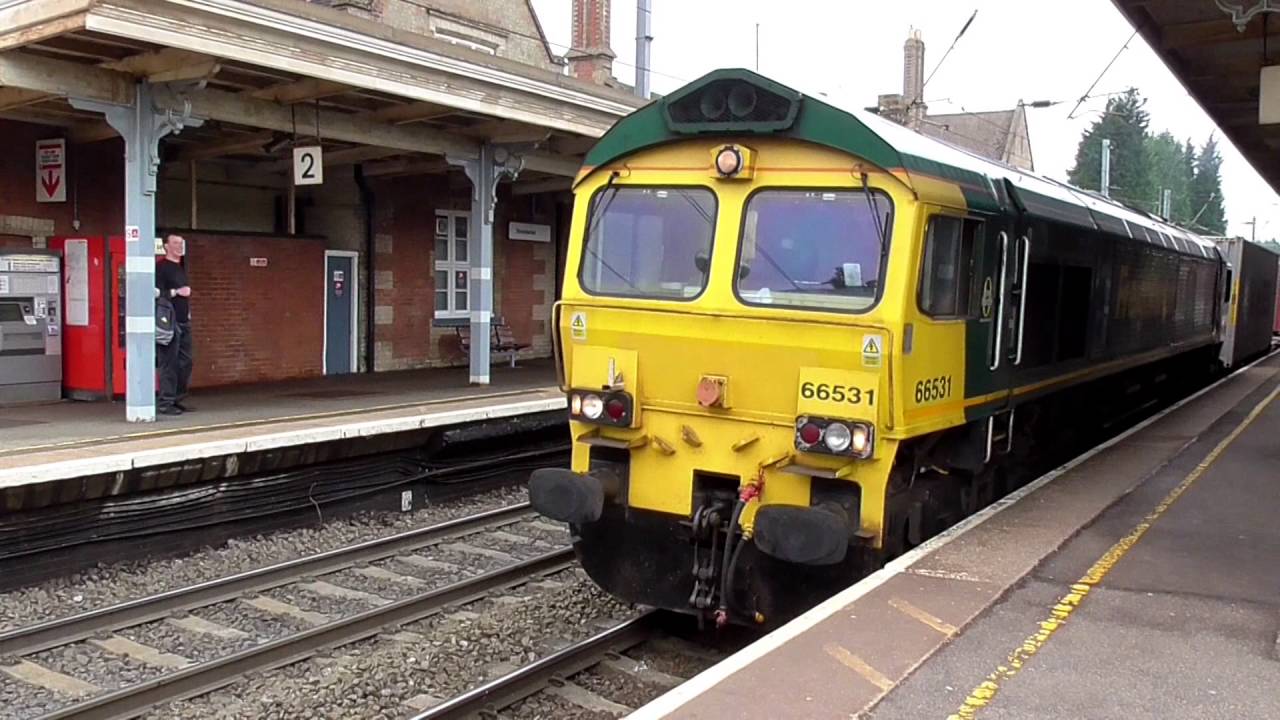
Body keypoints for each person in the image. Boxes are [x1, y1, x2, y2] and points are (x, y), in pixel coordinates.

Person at [155, 234, 193, 415]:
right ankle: (165, 402)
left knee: (185, 362)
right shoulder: (161, 268)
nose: (179, 247)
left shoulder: (180, 267)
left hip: (184, 320)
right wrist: (176, 292)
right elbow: (155, 293)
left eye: (181, 243)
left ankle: (177, 398)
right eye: (175, 243)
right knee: (168, 363)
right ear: (166, 246)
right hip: (168, 322)